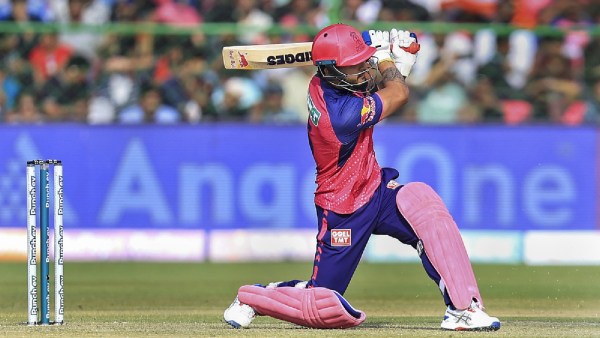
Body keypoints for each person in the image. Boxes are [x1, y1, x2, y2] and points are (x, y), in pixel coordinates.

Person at [223, 23, 501, 331]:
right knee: (322, 301)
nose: (364, 67)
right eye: (357, 63)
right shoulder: (340, 114)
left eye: (364, 59)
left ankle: (463, 309)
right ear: (333, 71)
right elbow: (396, 94)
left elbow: (374, 86)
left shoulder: (327, 81)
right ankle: (252, 297)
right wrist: (388, 61)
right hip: (343, 207)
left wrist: (390, 60)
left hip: (375, 189)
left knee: (423, 203)